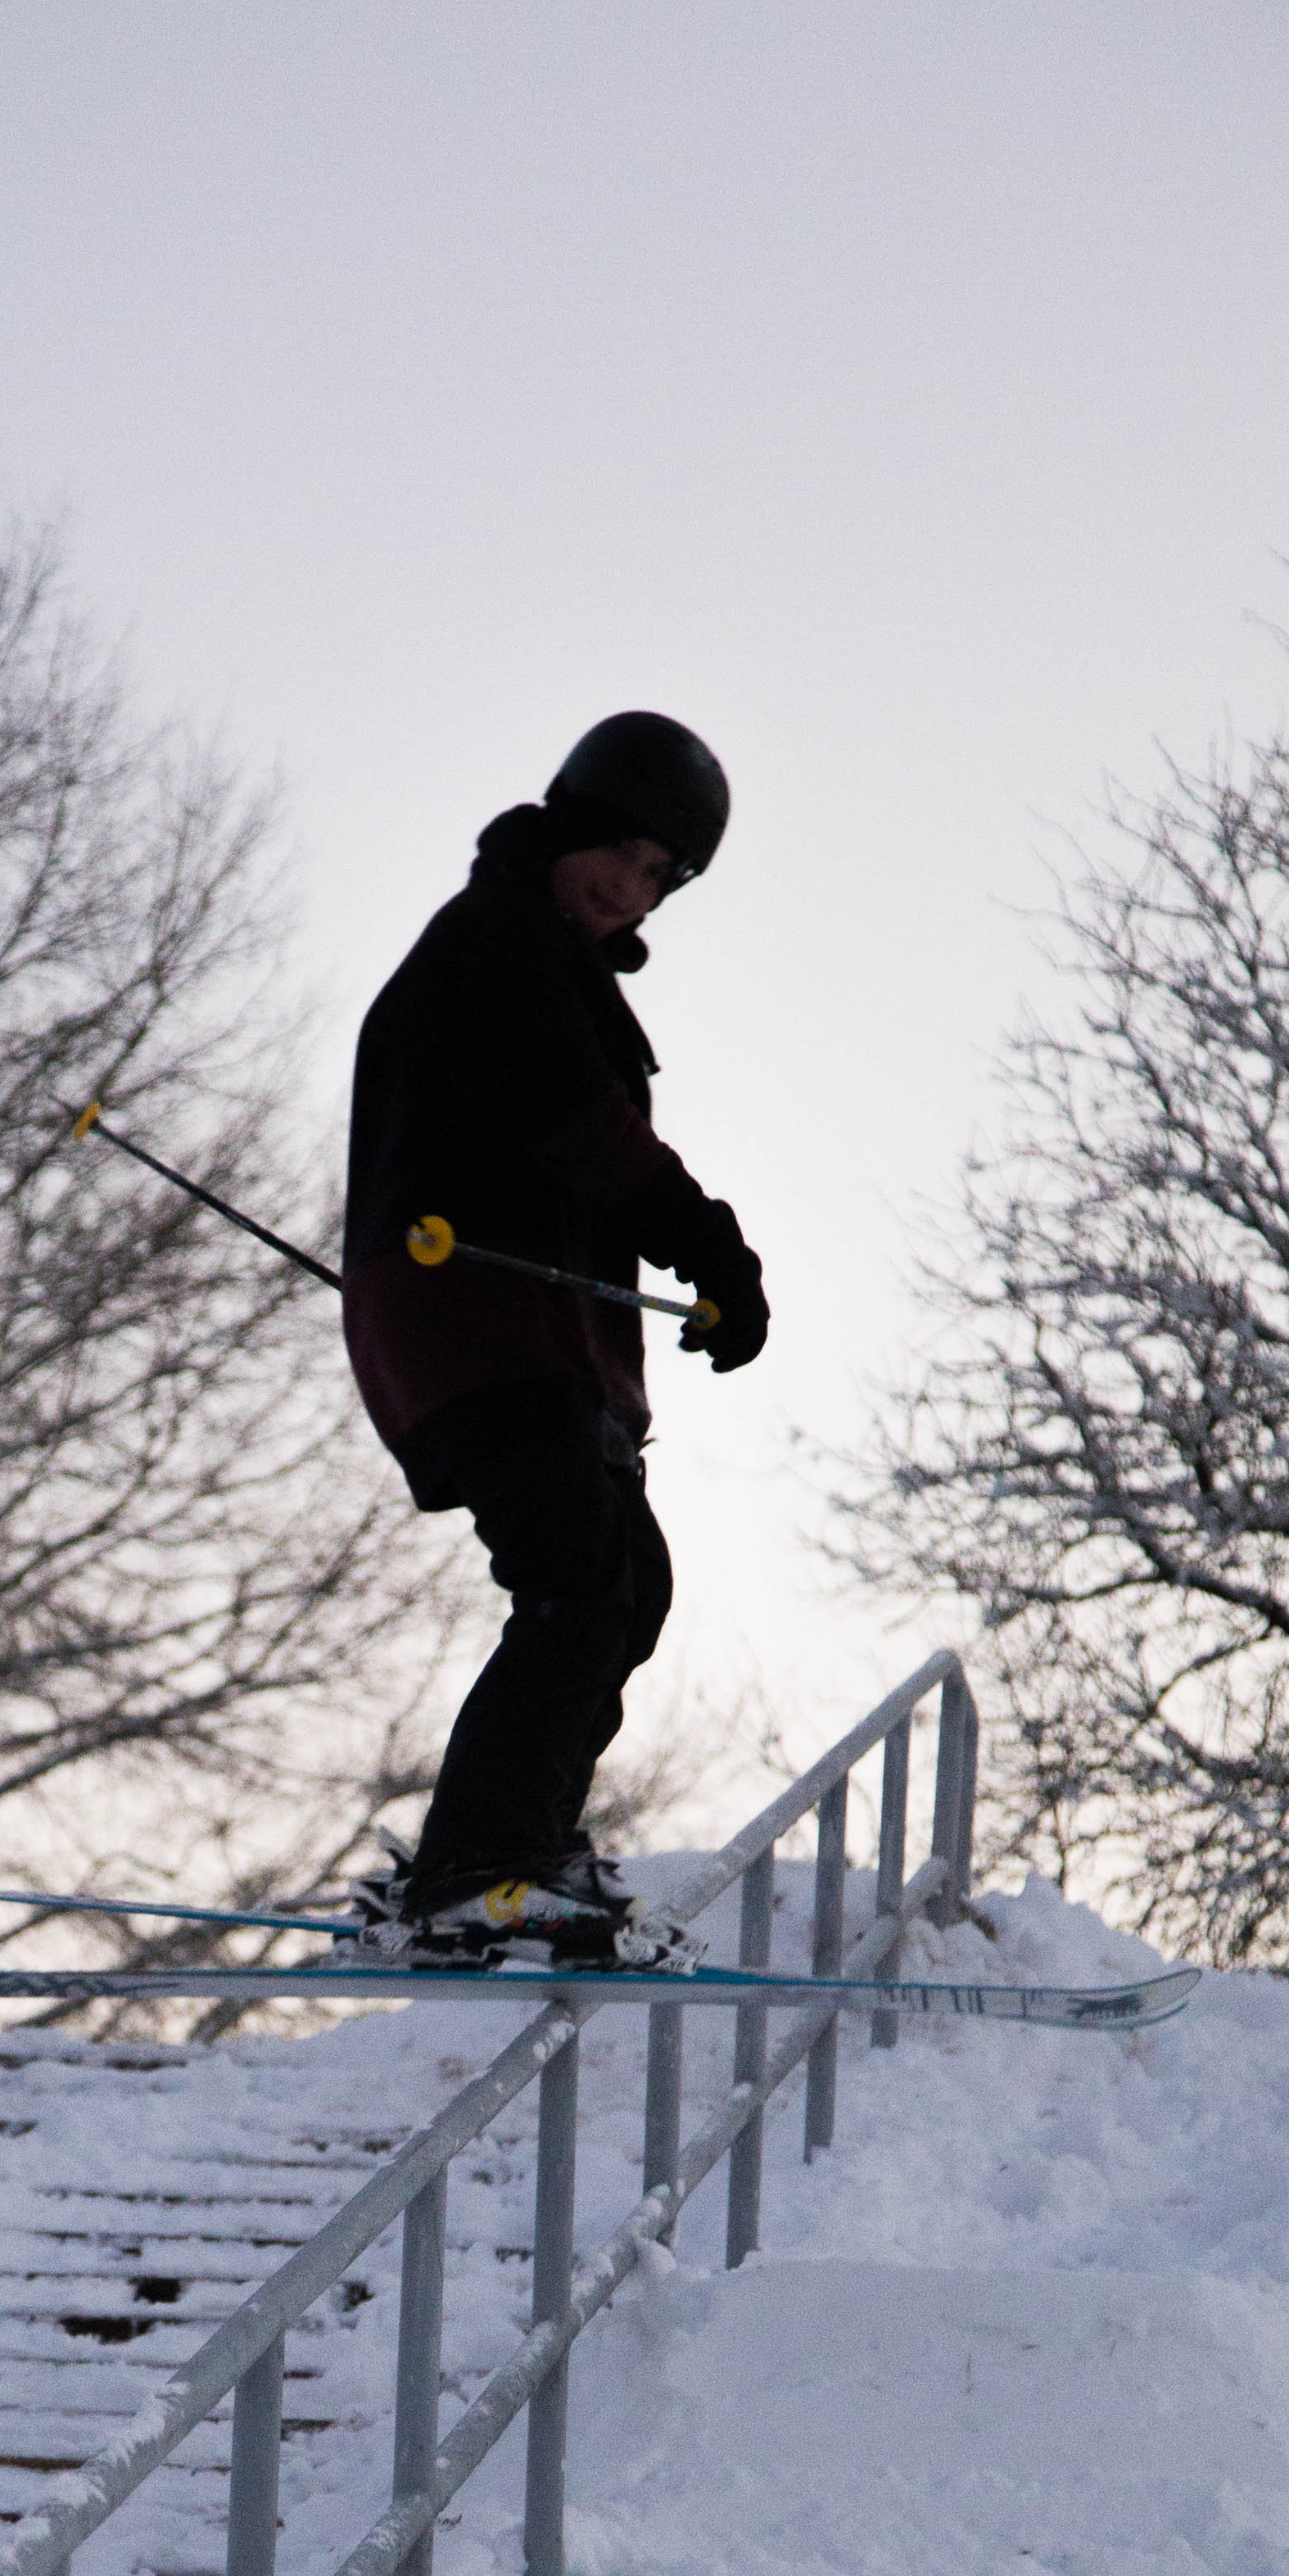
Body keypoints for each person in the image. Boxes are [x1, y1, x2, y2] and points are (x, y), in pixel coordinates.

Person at [341, 711, 767, 1964]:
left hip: (536, 1333)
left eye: (657, 882)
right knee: (578, 1575)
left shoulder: (553, 962)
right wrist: (710, 1245)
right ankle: (480, 1872)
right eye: (621, 857)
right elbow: (583, 1135)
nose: (628, 894)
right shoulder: (496, 945)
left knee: (626, 1584)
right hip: (470, 1318)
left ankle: (514, 1845)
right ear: (572, 823)